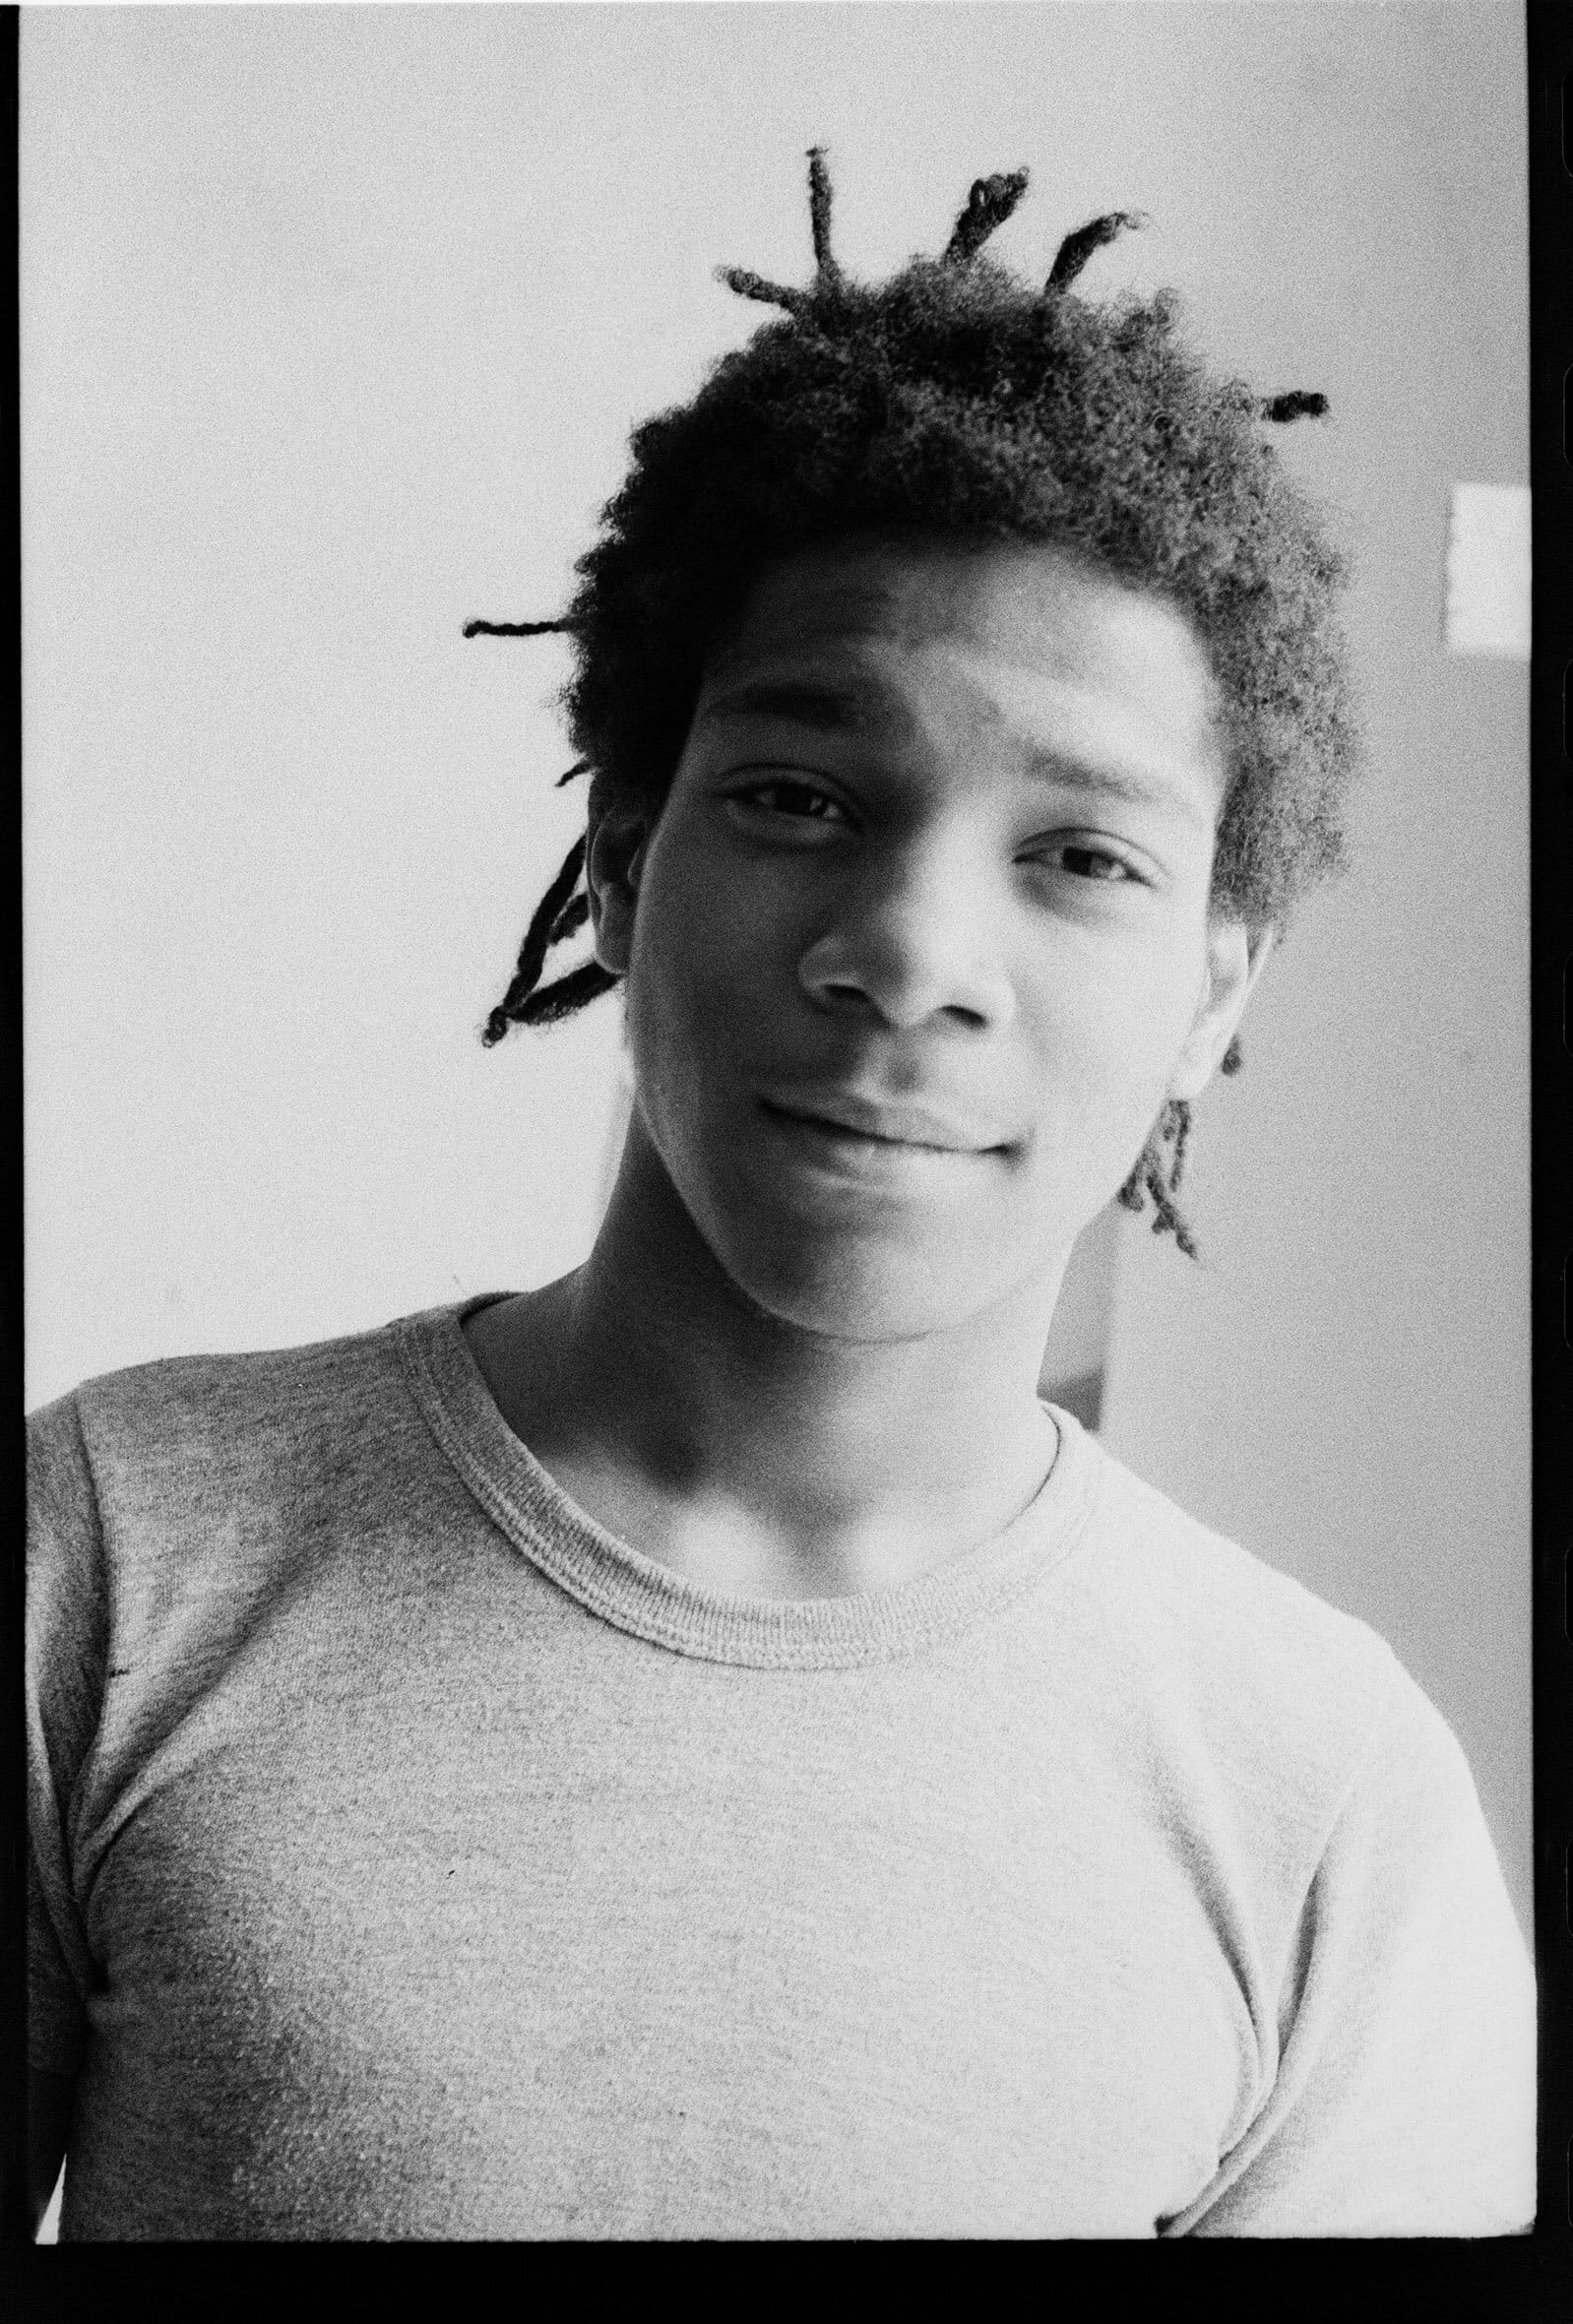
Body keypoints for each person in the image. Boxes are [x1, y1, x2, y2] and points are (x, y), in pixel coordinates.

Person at [27, 156, 1534, 2239]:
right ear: (623, 859)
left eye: (1081, 856)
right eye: (801, 796)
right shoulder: (120, 1552)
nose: (909, 954)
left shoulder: (1322, 1800)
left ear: (1214, 994)